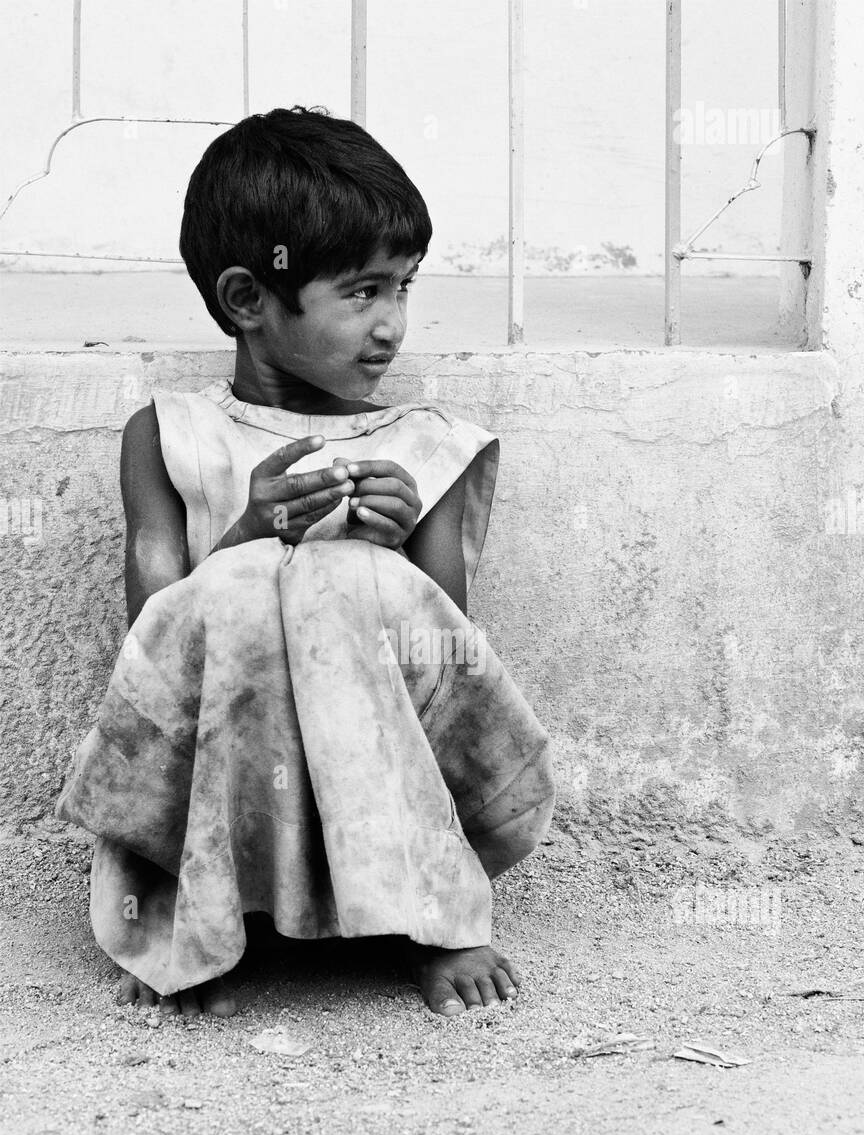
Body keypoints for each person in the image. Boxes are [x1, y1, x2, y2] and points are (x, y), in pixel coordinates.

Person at [56, 106, 555, 1019]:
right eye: (363, 292)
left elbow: (449, 655)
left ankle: (433, 916)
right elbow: (154, 633)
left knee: (343, 581)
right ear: (250, 299)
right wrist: (246, 535)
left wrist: (393, 552)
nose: (392, 325)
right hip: (225, 742)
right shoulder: (170, 436)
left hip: (385, 751)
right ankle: (202, 911)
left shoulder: (425, 447)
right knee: (249, 586)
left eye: (404, 288)